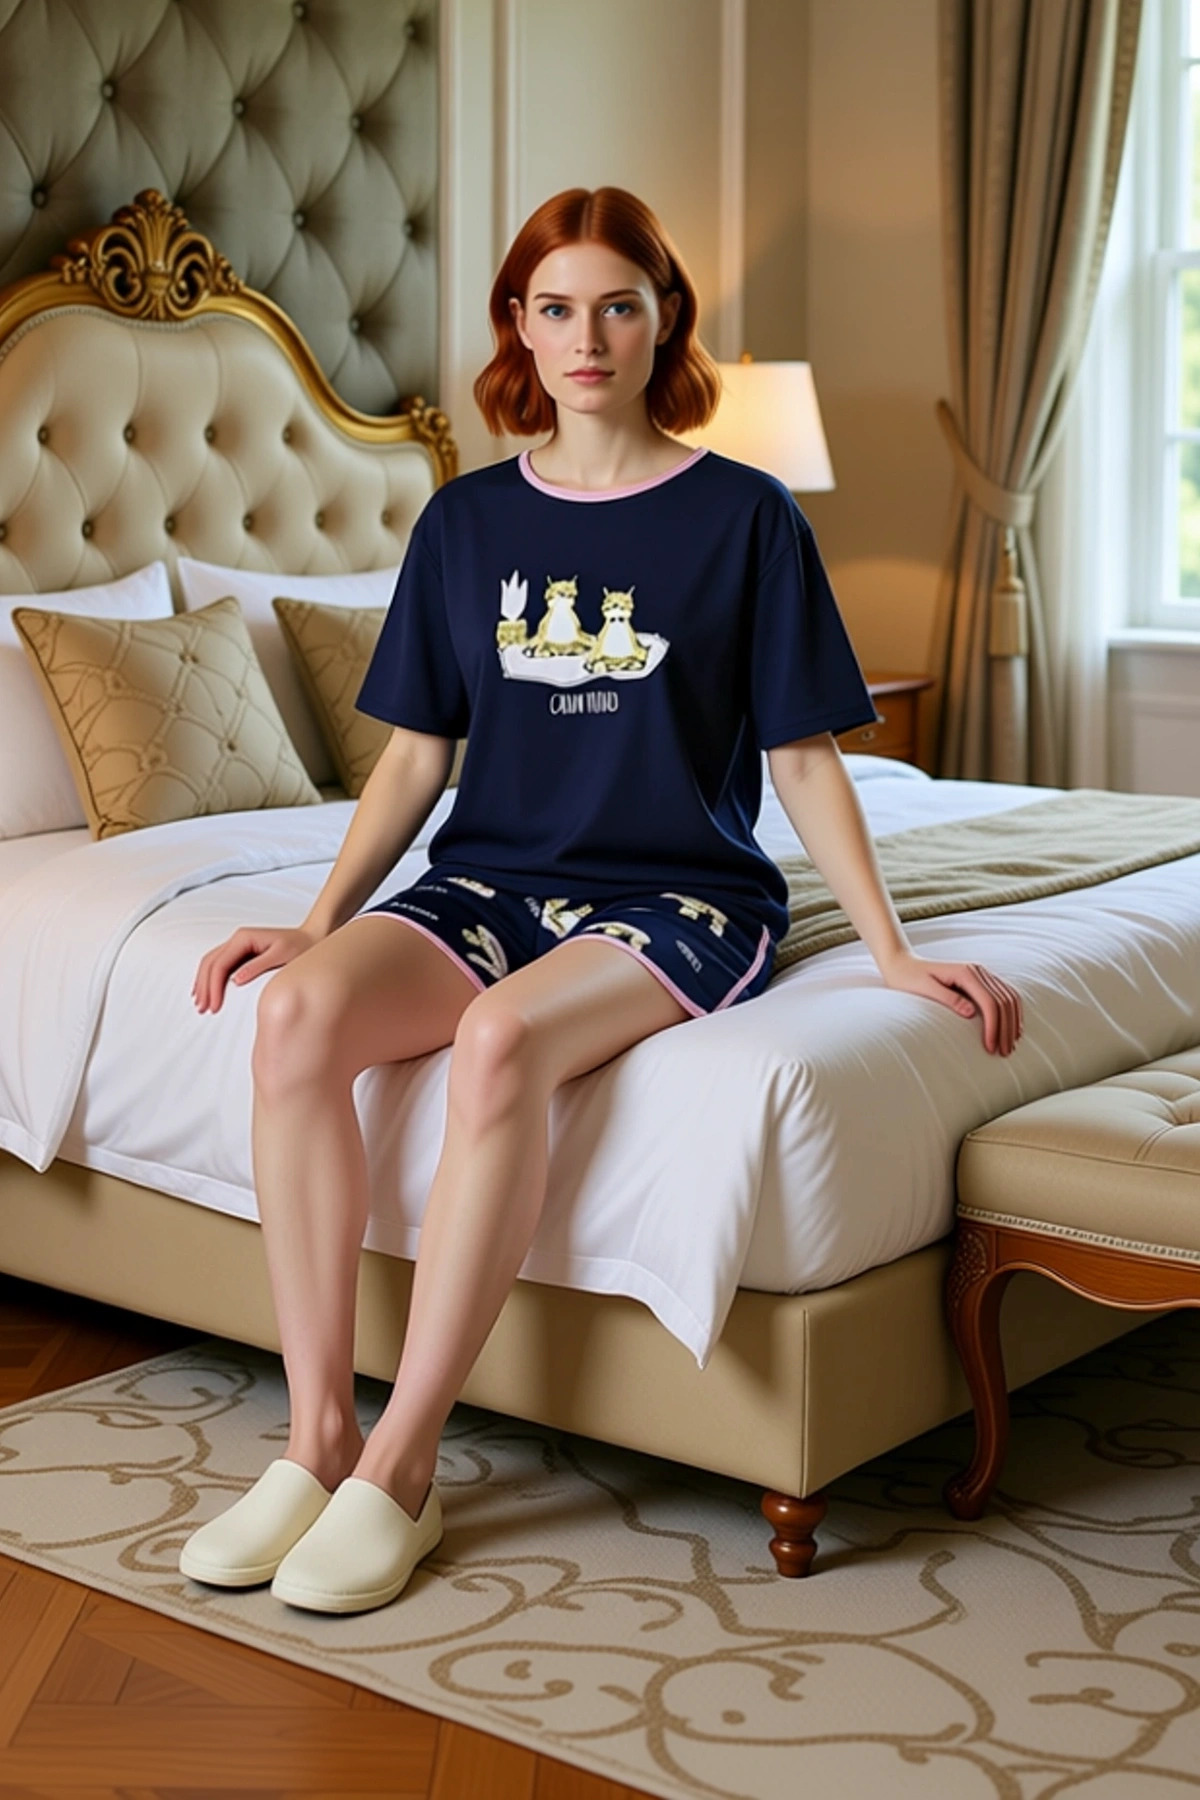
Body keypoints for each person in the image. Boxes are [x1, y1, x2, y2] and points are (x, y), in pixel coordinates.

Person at [178, 186, 1022, 1615]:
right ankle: (316, 1438)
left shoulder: (744, 517)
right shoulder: (464, 522)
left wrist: (889, 949)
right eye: (557, 308)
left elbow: (802, 757)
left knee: (502, 1039)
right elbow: (415, 760)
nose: (587, 337)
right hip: (491, 881)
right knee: (296, 1020)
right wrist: (318, 925)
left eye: (618, 305)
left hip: (683, 895)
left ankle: (401, 1466)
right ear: (518, 324)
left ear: (663, 320)